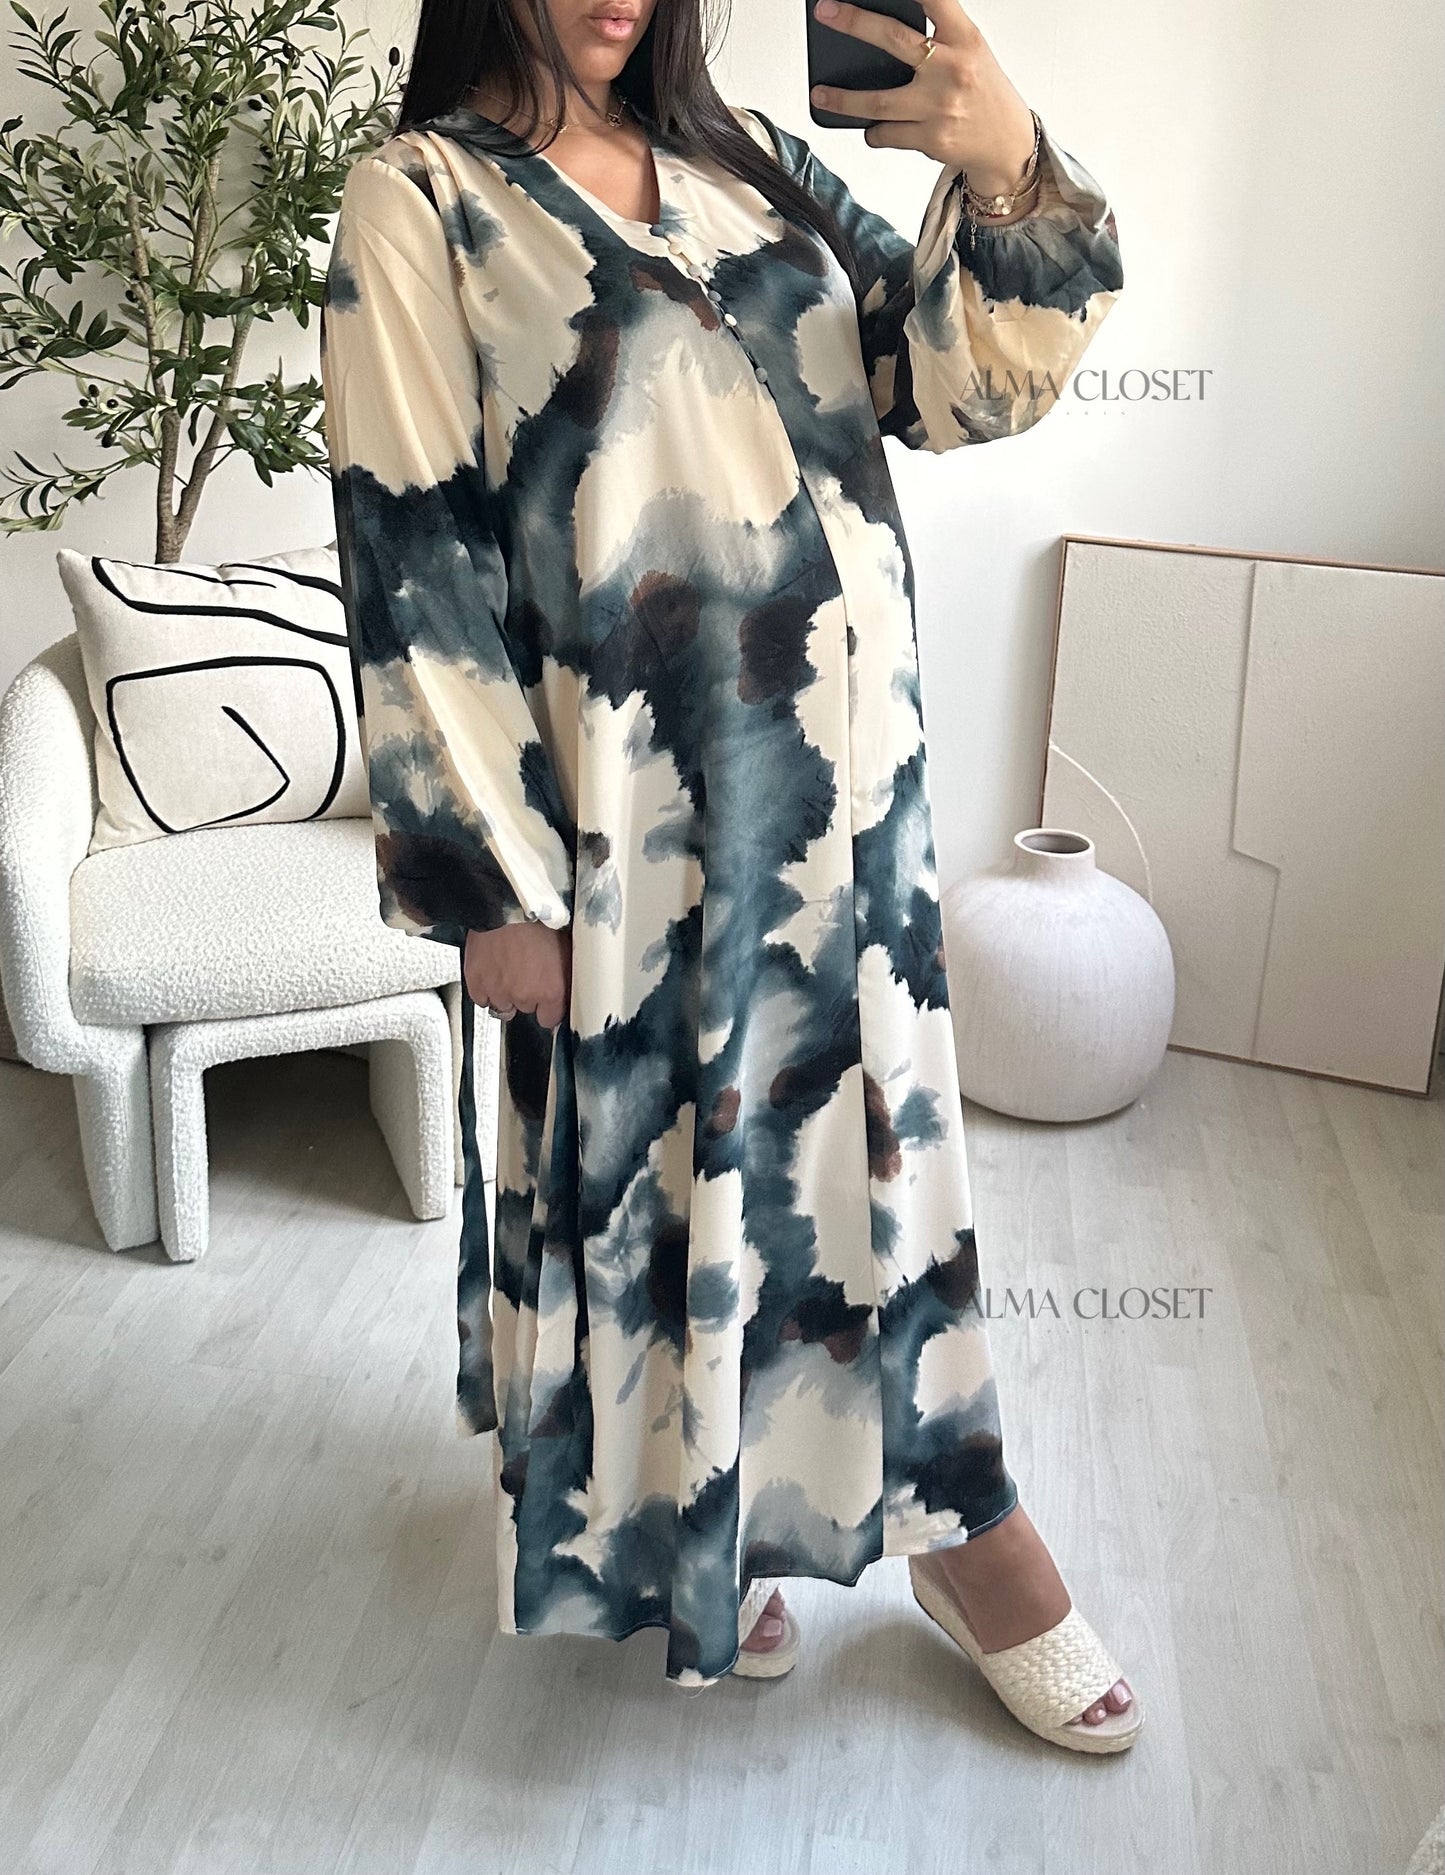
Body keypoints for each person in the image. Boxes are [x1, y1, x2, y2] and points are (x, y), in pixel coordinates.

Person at [320, 0, 1141, 1752]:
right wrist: (493, 890)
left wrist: (1003, 165)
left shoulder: (748, 164)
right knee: (668, 1184)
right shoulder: (423, 199)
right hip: (625, 834)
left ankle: (961, 1529)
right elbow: (411, 552)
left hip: (853, 803)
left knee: (868, 1174)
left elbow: (954, 390)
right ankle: (739, 1520)